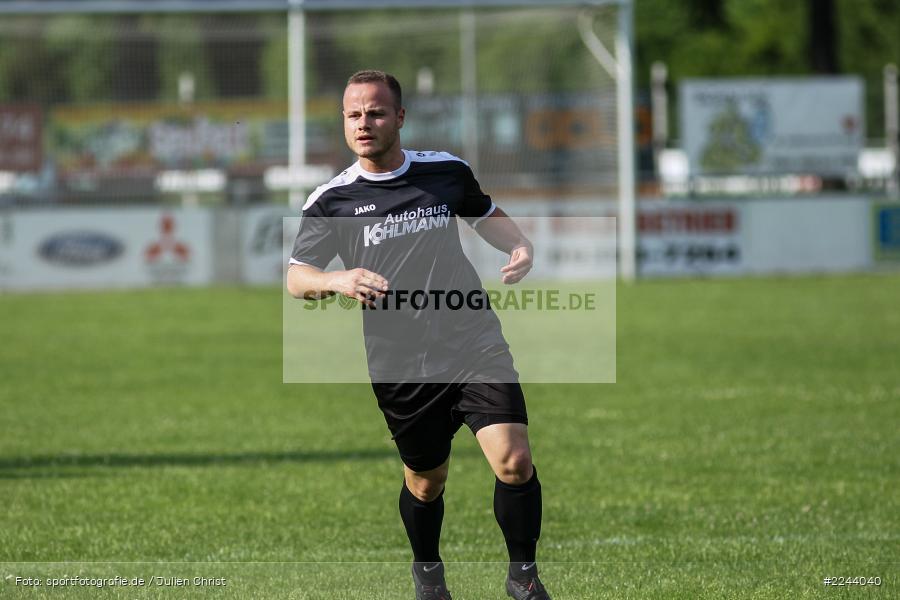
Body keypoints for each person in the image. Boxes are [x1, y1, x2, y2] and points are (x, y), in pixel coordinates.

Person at [286, 70, 550, 600]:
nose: (365, 123)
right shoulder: (331, 200)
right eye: (355, 114)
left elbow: (484, 213)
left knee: (514, 461)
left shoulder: (445, 171)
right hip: (400, 359)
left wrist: (517, 244)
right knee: (426, 481)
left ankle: (523, 578)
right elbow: (296, 276)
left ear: (399, 118)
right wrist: (336, 279)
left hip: (472, 338)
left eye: (376, 112)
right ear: (344, 122)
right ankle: (427, 572)